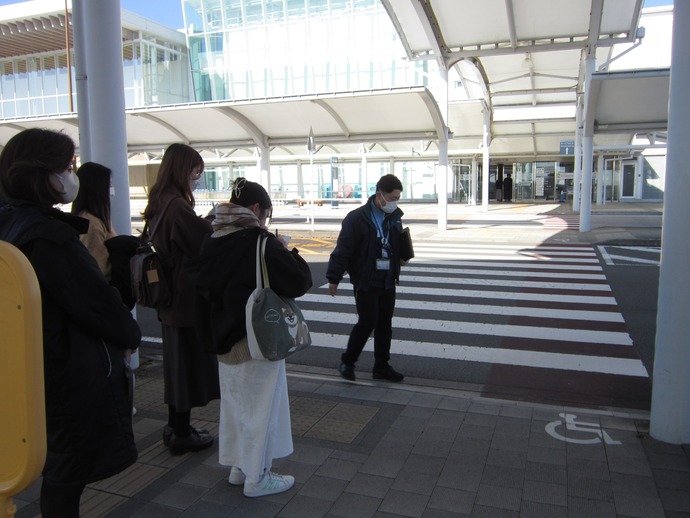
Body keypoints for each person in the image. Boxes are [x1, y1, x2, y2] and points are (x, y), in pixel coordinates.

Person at [0, 128, 141, 518]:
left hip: (31, 364)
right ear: (39, 174)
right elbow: (96, 303)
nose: (71, 175)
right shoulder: (49, 238)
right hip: (65, 369)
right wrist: (129, 334)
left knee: (59, 467)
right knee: (66, 473)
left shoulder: (12, 224)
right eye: (66, 166)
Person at [186, 178, 312, 498]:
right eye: (266, 214)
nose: (265, 220)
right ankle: (259, 478)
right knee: (261, 411)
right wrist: (285, 248)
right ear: (255, 209)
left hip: (223, 342)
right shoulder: (259, 242)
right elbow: (300, 280)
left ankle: (239, 468)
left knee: (236, 408)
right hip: (255, 341)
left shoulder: (211, 237)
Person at [142, 143, 219, 455]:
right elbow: (203, 243)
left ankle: (177, 427)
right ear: (182, 170)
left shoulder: (161, 201)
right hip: (185, 302)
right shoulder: (176, 206)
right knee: (186, 367)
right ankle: (181, 433)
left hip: (170, 299)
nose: (196, 179)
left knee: (177, 366)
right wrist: (212, 220)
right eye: (194, 172)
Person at [327, 174, 409, 383]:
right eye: (391, 198)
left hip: (388, 278)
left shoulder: (394, 216)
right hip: (366, 280)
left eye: (397, 198)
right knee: (367, 321)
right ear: (379, 195)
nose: (394, 202)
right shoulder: (356, 218)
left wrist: (401, 256)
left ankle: (381, 366)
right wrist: (334, 277)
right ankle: (348, 361)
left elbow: (395, 241)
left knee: (384, 324)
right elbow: (343, 250)